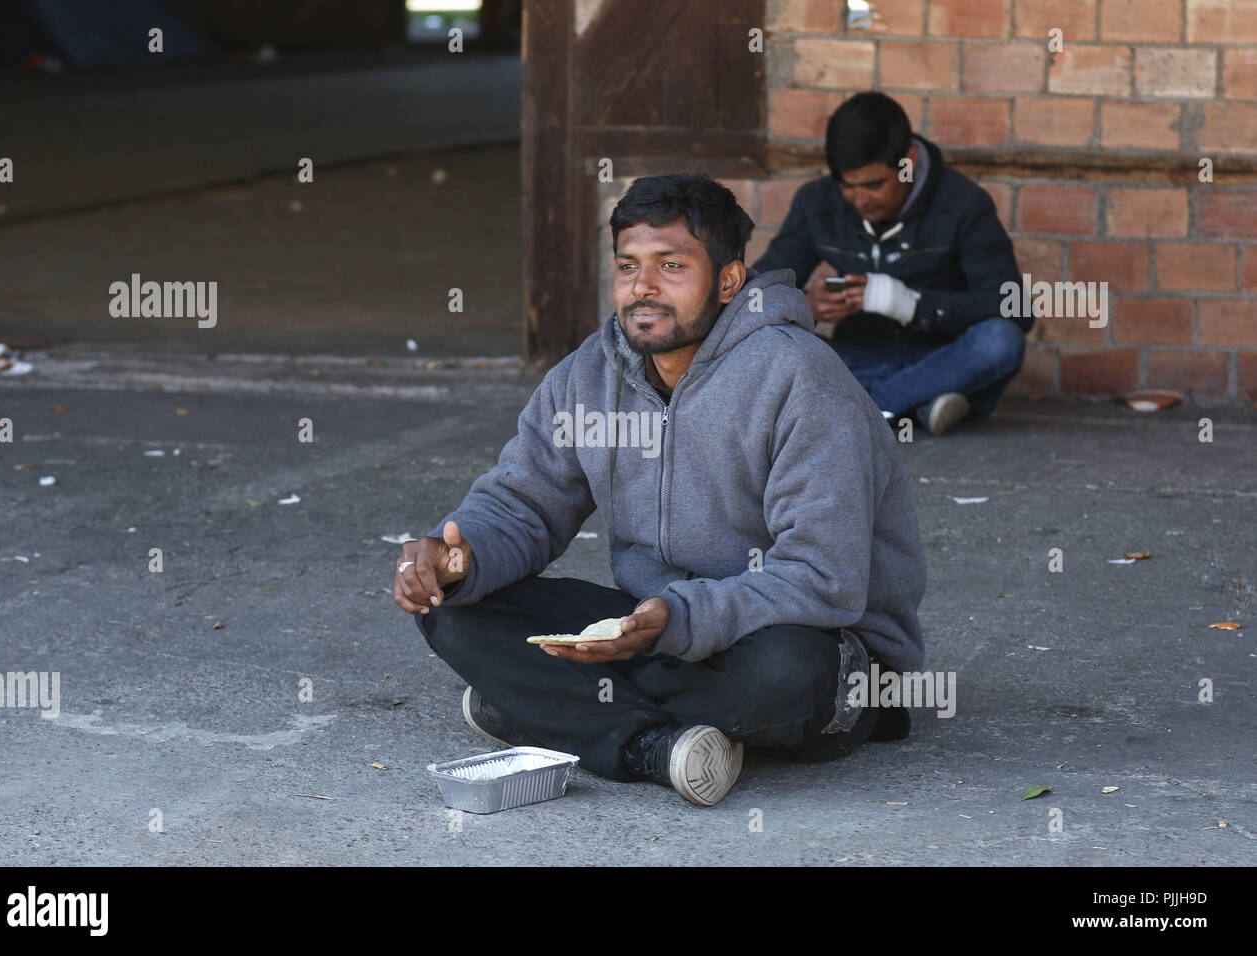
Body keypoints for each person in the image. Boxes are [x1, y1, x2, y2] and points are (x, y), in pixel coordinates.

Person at [394, 174, 926, 807]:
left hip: (812, 641)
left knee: (785, 673)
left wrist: (680, 618)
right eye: (628, 266)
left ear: (728, 281)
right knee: (454, 609)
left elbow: (823, 577)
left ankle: (550, 708)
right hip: (655, 629)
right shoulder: (590, 374)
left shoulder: (798, 377)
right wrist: (462, 557)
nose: (643, 288)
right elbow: (524, 504)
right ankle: (654, 747)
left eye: (671, 266)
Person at [753, 91, 1029, 435]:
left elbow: (1014, 306)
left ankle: (868, 405)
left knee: (1000, 342)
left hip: (942, 358)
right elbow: (757, 292)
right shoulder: (817, 202)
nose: (860, 199)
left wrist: (910, 305)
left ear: (907, 162)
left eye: (874, 185)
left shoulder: (964, 203)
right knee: (767, 342)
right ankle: (916, 405)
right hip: (858, 356)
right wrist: (803, 304)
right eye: (847, 186)